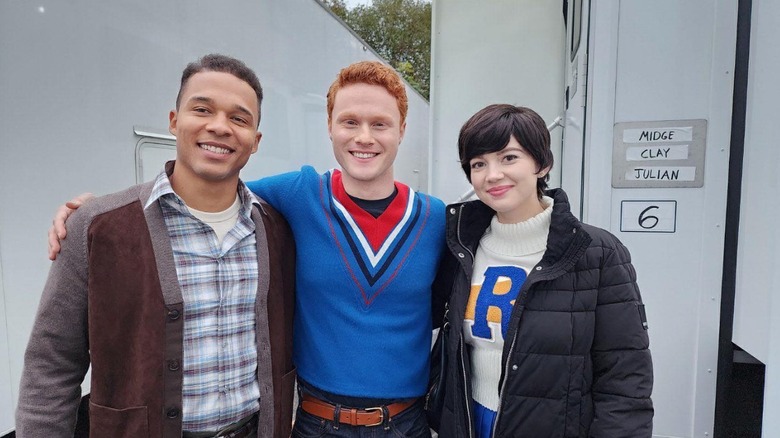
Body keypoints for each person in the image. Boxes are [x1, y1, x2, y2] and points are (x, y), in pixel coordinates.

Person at [47, 61, 445, 437]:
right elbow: (206, 190)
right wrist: (98, 209)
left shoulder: (437, 218)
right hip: (316, 422)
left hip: (406, 422)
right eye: (349, 122)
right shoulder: (299, 192)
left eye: (380, 124)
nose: (364, 136)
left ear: (402, 130)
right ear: (329, 126)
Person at [18, 54, 296, 438]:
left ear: (256, 141)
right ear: (173, 121)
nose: (219, 127)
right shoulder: (98, 227)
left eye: (239, 118)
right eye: (202, 109)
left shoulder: (276, 230)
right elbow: (52, 365)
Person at [433, 104, 653, 437]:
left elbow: (625, 377)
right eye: (479, 164)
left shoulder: (597, 252)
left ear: (542, 163)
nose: (492, 175)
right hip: (468, 422)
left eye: (509, 158)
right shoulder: (461, 246)